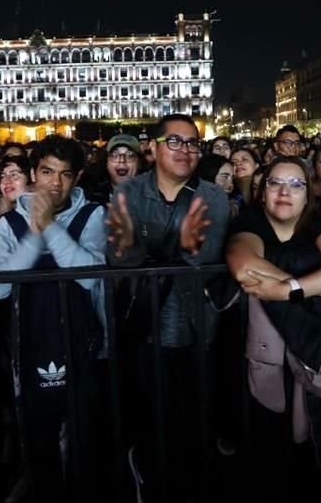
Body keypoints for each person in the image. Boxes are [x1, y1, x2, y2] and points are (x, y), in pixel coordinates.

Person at [225, 156, 321, 501]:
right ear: (262, 191)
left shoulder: (320, 223)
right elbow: (245, 266)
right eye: (275, 183)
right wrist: (318, 285)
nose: (285, 192)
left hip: (315, 348)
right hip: (264, 353)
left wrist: (291, 291)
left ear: (307, 195)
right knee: (268, 441)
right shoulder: (250, 221)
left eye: (296, 184)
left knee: (317, 438)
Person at [105, 113, 230, 501]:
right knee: (153, 405)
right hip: (146, 315)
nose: (185, 150)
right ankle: (151, 474)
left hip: (198, 317)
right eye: (174, 141)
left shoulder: (212, 195)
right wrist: (173, 244)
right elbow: (119, 258)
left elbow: (202, 257)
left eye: (193, 143)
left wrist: (149, 247)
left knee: (196, 406)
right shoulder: (128, 193)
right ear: (154, 148)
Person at [0, 137, 108, 500]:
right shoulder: (9, 222)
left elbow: (90, 275)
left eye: (66, 175)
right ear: (33, 173)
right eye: (48, 172)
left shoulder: (92, 214)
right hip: (30, 344)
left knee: (85, 436)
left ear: (78, 177)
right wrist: (34, 236)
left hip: (83, 341)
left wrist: (49, 226)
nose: (56, 183)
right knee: (39, 436)